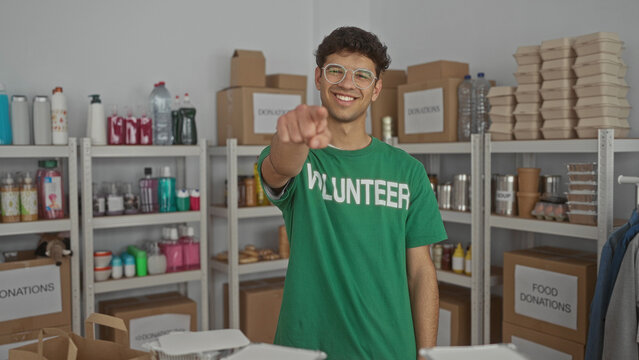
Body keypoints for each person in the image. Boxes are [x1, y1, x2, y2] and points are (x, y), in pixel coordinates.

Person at [258, 26, 447, 360]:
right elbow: (279, 168)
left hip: (389, 350)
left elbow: (420, 271)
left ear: (376, 89)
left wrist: (426, 354)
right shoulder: (304, 160)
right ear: (318, 78)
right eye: (336, 71)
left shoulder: (409, 172)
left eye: (362, 75)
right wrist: (291, 137)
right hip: (306, 349)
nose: (347, 83)